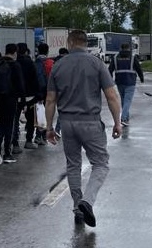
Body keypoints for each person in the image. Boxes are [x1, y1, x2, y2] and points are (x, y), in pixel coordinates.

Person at [45, 30, 122, 227]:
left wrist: (49, 127)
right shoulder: (96, 63)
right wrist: (117, 122)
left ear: (70, 42)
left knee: (73, 165)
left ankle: (77, 208)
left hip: (67, 123)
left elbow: (50, 100)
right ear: (85, 43)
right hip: (90, 122)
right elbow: (112, 96)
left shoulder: (58, 65)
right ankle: (86, 201)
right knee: (101, 164)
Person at [0, 43, 25, 163]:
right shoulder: (15, 65)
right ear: (15, 52)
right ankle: (7, 153)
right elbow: (20, 85)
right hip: (10, 99)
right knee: (9, 125)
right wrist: (22, 101)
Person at [108, 43, 144, 126]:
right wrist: (141, 78)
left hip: (119, 82)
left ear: (121, 48)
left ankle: (126, 118)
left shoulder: (115, 57)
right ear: (129, 48)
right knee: (127, 100)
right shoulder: (133, 57)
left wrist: (110, 80)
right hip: (130, 82)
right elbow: (138, 68)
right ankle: (123, 118)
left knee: (124, 100)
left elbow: (110, 70)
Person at [14, 42, 40, 151]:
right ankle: (29, 141)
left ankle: (15, 144)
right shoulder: (30, 63)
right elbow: (35, 79)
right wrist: (38, 95)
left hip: (16, 96)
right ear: (26, 51)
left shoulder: (14, 62)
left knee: (15, 120)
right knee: (30, 119)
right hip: (30, 96)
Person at [33, 42, 54, 145]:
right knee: (46, 114)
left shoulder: (35, 63)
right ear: (47, 51)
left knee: (39, 114)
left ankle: (38, 135)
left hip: (37, 92)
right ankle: (42, 136)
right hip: (49, 92)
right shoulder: (50, 62)